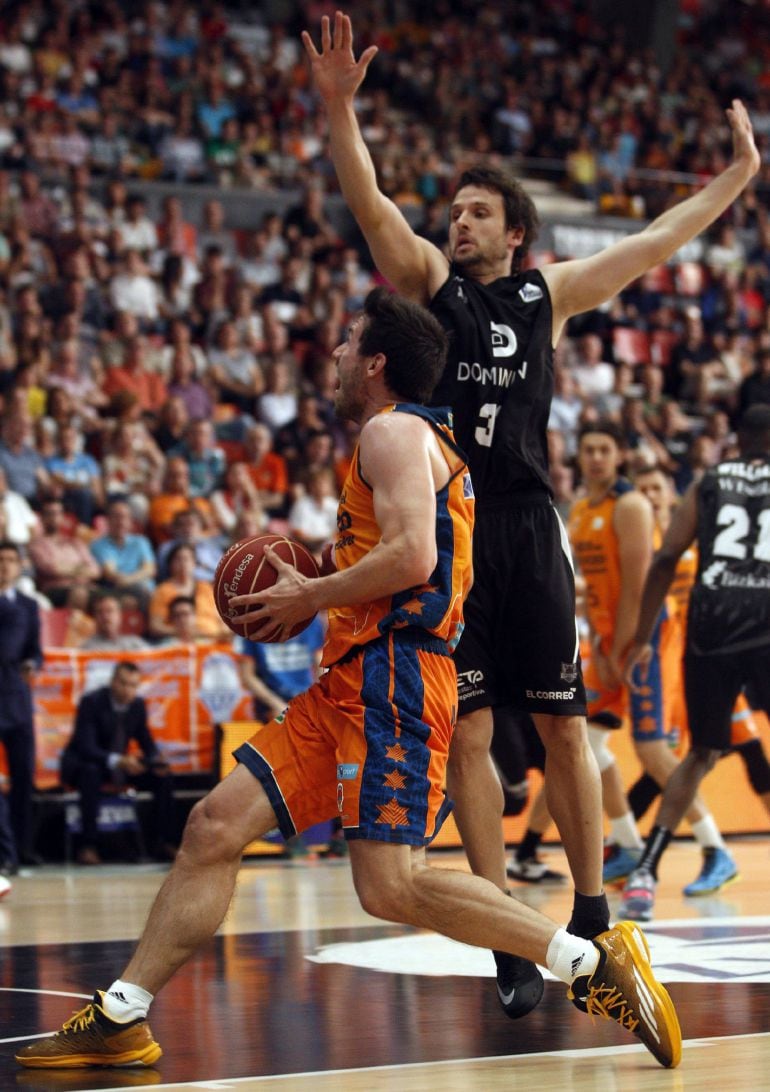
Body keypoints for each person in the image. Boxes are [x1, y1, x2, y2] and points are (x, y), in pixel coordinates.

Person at [16, 289, 681, 1072]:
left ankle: (592, 963)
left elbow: (414, 560)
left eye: (347, 342)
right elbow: (391, 552)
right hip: (351, 678)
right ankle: (123, 1015)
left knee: (390, 886)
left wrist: (307, 593)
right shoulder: (401, 440)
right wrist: (319, 566)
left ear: (376, 362)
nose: (332, 355)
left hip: (395, 677)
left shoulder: (393, 431)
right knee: (214, 826)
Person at [302, 10, 759, 1016]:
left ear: (514, 232)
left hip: (529, 526)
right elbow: (372, 205)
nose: (455, 222)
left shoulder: (543, 296)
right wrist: (340, 111)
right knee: (468, 735)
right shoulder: (431, 288)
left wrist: (735, 178)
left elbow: (652, 239)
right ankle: (508, 935)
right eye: (453, 209)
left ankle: (592, 914)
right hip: (455, 535)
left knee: (559, 729)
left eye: (475, 213)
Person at [620, 406, 770, 921]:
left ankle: (645, 873)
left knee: (700, 754)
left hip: (710, 632)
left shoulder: (709, 480)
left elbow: (666, 559)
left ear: (739, 438)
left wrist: (641, 637)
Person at [568, 422, 726, 889]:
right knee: (588, 744)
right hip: (607, 640)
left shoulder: (631, 505)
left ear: (619, 456)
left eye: (604, 449)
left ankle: (715, 847)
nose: (596, 457)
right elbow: (596, 588)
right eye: (589, 449)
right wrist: (599, 639)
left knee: (652, 748)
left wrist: (623, 647)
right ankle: (628, 843)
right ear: (579, 457)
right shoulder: (579, 510)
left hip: (643, 639)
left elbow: (638, 586)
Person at [60, 662, 176, 866]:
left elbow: (146, 741)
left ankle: (163, 842)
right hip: (85, 764)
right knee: (91, 772)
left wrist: (154, 761)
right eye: (123, 683)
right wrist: (119, 761)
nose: (127, 689)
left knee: (162, 777)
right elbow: (86, 747)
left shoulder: (138, 705)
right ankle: (88, 846)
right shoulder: (92, 702)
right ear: (112, 682)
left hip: (120, 766)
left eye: (133, 685)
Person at [0, 541, 42, 873]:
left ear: (19, 566)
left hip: (17, 697)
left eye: (11, 560)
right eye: (1, 560)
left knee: (24, 777)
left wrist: (32, 662)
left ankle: (24, 848)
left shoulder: (28, 605)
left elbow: (36, 650)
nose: (5, 565)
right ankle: (5, 851)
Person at [80, 595, 148, 652]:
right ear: (95, 618)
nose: (105, 616)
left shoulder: (135, 644)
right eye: (100, 612)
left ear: (119, 615)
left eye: (109, 611)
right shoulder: (87, 648)